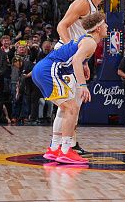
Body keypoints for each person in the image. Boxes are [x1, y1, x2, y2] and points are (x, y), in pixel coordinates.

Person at [31, 12, 107, 164]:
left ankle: (54, 148)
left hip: (43, 70)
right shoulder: (90, 42)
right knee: (72, 108)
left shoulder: (87, 40)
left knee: (68, 108)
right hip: (49, 71)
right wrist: (83, 85)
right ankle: (66, 151)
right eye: (105, 24)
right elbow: (76, 61)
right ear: (98, 28)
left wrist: (85, 65)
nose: (107, 27)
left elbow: (76, 58)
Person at [54, 0, 109, 155]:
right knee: (67, 105)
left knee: (74, 104)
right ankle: (60, 146)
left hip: (77, 57)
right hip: (65, 55)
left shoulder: (95, 7)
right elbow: (61, 26)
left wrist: (83, 61)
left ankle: (70, 143)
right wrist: (71, 50)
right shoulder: (83, 3)